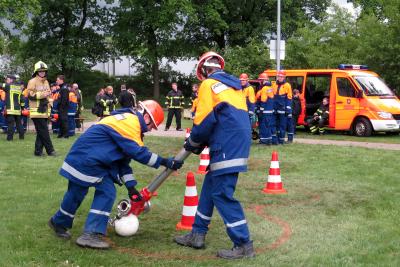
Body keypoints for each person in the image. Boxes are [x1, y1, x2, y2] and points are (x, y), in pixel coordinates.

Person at [48, 100, 184, 249]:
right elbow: (139, 153)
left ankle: (58, 222)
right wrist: (165, 161)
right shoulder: (131, 123)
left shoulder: (126, 120)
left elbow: (123, 163)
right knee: (106, 192)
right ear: (146, 117)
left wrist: (131, 188)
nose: (150, 130)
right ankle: (91, 234)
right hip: (90, 161)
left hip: (80, 158)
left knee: (75, 193)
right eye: (152, 126)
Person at [174, 51, 255, 259]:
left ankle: (243, 244)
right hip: (235, 141)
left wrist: (192, 142)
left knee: (222, 194)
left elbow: (204, 121)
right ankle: (197, 234)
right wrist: (200, 144)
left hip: (227, 144)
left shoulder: (208, 85)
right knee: (211, 186)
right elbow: (224, 117)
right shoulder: (234, 86)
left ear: (204, 70)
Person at [26, 61, 56, 156]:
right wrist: (43, 94)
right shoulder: (32, 81)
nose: (42, 73)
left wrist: (50, 103)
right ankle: (50, 151)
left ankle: (38, 152)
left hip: (45, 110)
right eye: (40, 71)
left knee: (41, 132)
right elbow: (30, 95)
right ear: (36, 72)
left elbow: (48, 95)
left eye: (44, 71)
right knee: (44, 131)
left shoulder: (46, 81)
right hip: (36, 111)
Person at [272, 70, 292, 145]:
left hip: (283, 109)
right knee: (274, 124)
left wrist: (288, 108)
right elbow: (271, 95)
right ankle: (275, 140)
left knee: (282, 125)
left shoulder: (287, 85)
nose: (280, 78)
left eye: (281, 76)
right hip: (275, 108)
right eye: (279, 76)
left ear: (284, 77)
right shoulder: (274, 84)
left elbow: (289, 98)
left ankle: (281, 140)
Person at [2, 74, 24, 141]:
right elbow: (22, 99)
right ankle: (21, 137)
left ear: (11, 80)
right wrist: (22, 108)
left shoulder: (8, 86)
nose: (6, 81)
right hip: (18, 110)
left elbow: (1, 85)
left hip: (11, 109)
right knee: (19, 124)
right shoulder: (19, 87)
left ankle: (10, 138)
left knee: (10, 124)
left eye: (7, 79)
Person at [256, 73, 275, 145]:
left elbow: (263, 100)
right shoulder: (270, 88)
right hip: (270, 111)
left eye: (260, 80)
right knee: (268, 126)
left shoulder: (264, 88)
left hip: (265, 111)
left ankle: (263, 141)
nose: (260, 82)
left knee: (263, 126)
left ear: (263, 80)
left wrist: (261, 110)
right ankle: (269, 140)